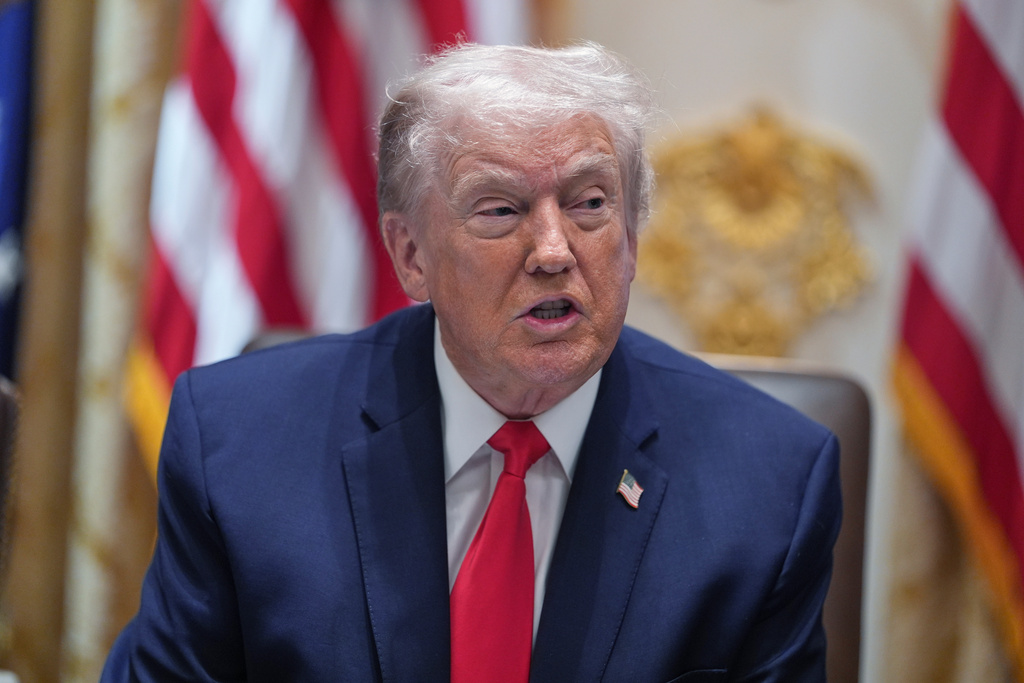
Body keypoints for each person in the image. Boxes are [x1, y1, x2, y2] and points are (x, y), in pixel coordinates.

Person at [102, 42, 840, 682]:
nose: (555, 251)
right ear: (411, 255)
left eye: (589, 204)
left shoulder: (771, 484)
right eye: (500, 210)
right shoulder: (238, 444)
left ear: (633, 240)